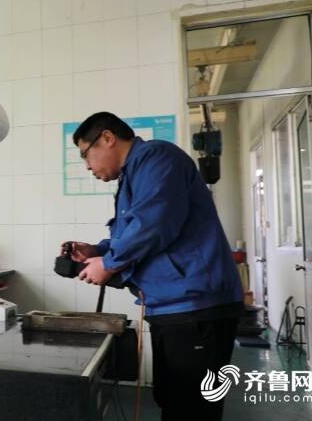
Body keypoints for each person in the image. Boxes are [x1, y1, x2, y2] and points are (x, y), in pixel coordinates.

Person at [64, 111, 243, 421]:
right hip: (173, 307)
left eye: (85, 154)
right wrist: (97, 250)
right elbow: (133, 231)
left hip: (196, 307)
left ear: (107, 138)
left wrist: (109, 263)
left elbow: (154, 223)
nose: (88, 166)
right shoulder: (135, 173)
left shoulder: (158, 158)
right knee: (173, 401)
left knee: (191, 409)